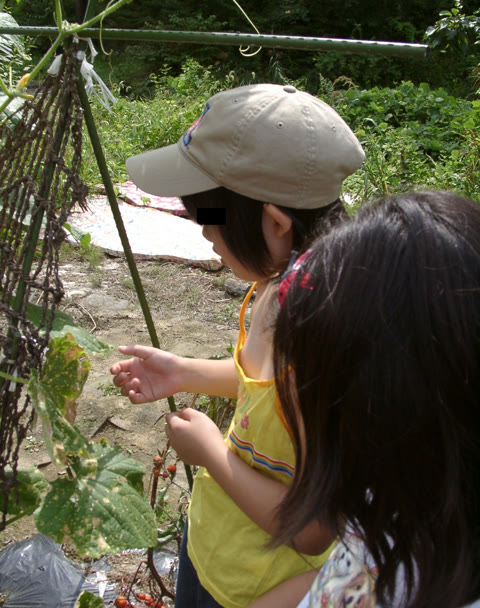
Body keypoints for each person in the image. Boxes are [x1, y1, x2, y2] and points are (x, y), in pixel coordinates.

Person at [109, 83, 365, 608]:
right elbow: (266, 388)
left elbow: (312, 528)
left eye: (211, 219)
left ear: (275, 223)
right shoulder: (276, 284)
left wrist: (212, 452)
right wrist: (184, 372)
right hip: (214, 548)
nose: (205, 234)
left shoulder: (325, 338)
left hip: (259, 587)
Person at [248, 191, 480, 608]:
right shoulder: (403, 495)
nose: (293, 397)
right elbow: (344, 570)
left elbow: (315, 539)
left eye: (309, 384)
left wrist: (211, 451)